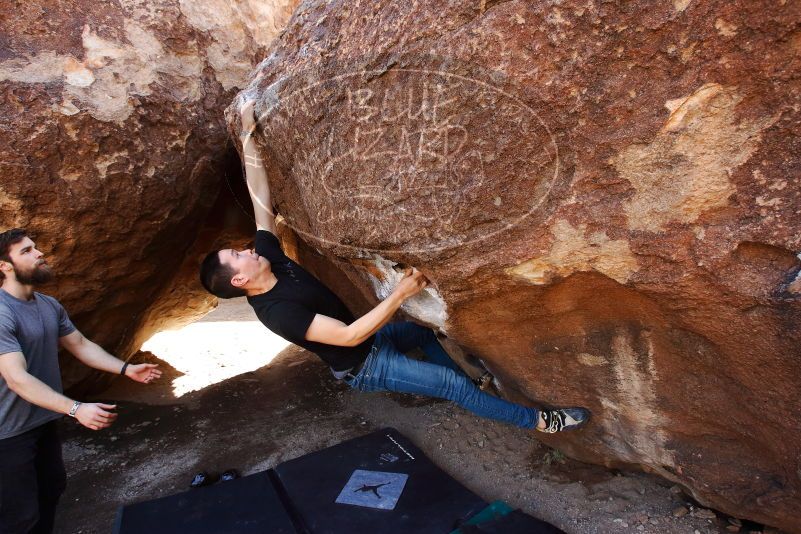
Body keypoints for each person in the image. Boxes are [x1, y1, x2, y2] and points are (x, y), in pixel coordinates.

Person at [199, 100, 589, 436]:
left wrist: (249, 133)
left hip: (374, 343)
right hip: (365, 366)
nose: (247, 249)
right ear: (240, 280)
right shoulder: (278, 312)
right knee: (449, 383)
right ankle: (541, 421)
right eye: (238, 256)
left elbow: (258, 194)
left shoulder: (270, 257)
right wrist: (400, 293)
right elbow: (349, 337)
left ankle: (473, 386)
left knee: (422, 335)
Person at [0, 228, 161, 534]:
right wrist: (76, 408)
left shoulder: (48, 305)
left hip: (41, 420)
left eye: (35, 248)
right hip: (6, 433)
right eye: (26, 251)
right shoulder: (2, 312)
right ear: (4, 266)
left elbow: (81, 345)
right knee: (18, 515)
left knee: (50, 491)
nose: (39, 253)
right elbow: (16, 378)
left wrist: (126, 369)